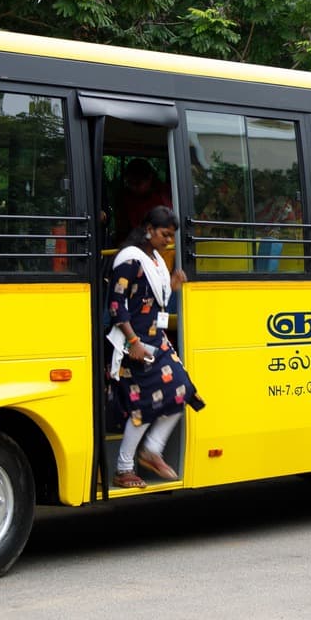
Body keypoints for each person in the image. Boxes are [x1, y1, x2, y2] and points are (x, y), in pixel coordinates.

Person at [105, 205, 204, 488]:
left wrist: (171, 285)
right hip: (133, 344)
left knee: (182, 390)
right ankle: (124, 469)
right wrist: (134, 342)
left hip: (156, 340)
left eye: (171, 235)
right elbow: (117, 304)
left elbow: (151, 299)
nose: (168, 241)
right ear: (148, 228)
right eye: (164, 234)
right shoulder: (129, 258)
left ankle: (151, 450)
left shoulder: (156, 258)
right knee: (145, 404)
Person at [115, 158, 173, 245]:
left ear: (150, 179)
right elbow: (122, 229)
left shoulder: (162, 195)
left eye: (138, 183)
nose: (133, 187)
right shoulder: (127, 197)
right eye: (130, 183)